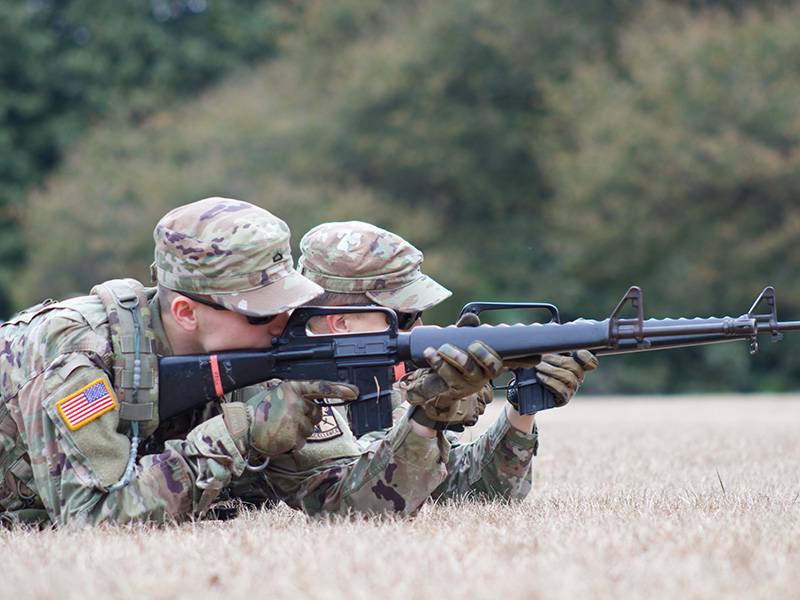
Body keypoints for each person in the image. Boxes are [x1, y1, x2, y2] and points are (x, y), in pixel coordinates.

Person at [0, 197, 357, 527]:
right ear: (186, 313)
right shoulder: (79, 357)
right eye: (261, 313)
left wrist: (415, 427)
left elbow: (349, 501)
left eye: (288, 305)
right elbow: (93, 519)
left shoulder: (252, 350)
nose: (283, 324)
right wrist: (237, 433)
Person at [292, 221, 598, 503]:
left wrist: (521, 406)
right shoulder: (290, 391)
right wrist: (425, 418)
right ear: (341, 323)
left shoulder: (383, 380)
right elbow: (356, 506)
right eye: (405, 316)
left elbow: (474, 489)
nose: (420, 327)